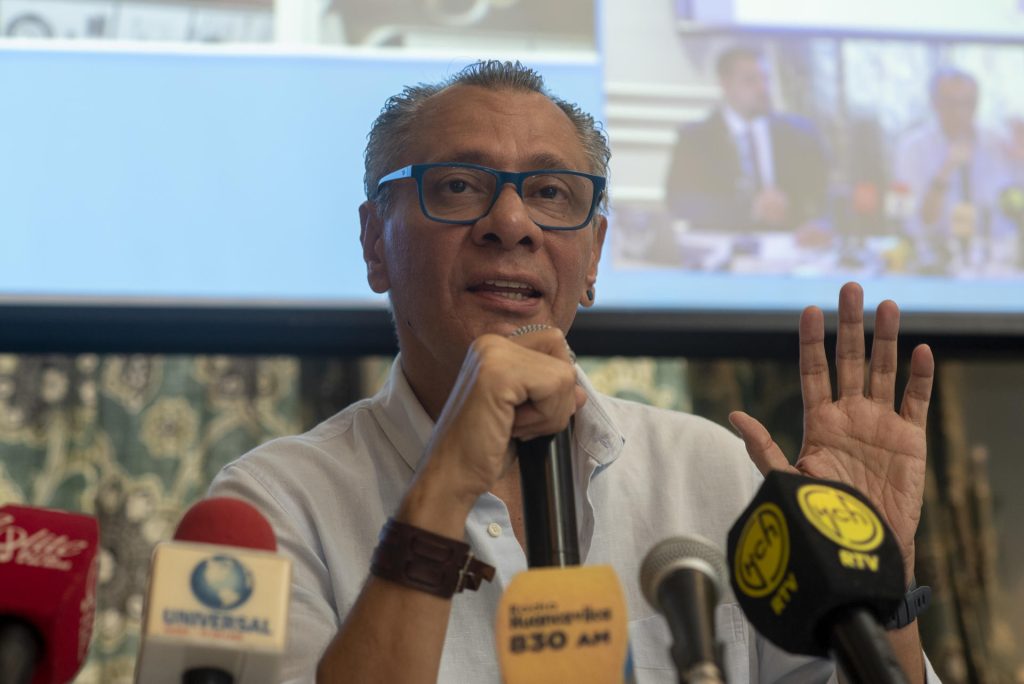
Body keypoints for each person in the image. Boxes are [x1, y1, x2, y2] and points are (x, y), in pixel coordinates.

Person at [208, 60, 939, 683]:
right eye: (459, 186)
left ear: (592, 259)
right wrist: (446, 482)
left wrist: (874, 587)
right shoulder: (273, 506)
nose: (512, 223)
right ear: (374, 242)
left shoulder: (711, 473)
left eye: (552, 193)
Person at [663, 45, 830, 236]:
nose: (763, 88)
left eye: (765, 79)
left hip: (789, 248)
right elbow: (679, 202)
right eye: (751, 80)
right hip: (722, 253)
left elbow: (823, 196)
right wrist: (749, 210)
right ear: (725, 85)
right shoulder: (695, 140)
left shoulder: (801, 134)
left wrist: (813, 220)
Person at [892, 67, 1008, 273]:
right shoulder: (911, 148)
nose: (961, 112)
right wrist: (946, 169)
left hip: (993, 261)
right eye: (952, 103)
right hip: (935, 261)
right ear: (935, 103)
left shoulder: (996, 144)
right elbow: (907, 219)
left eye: (969, 103)